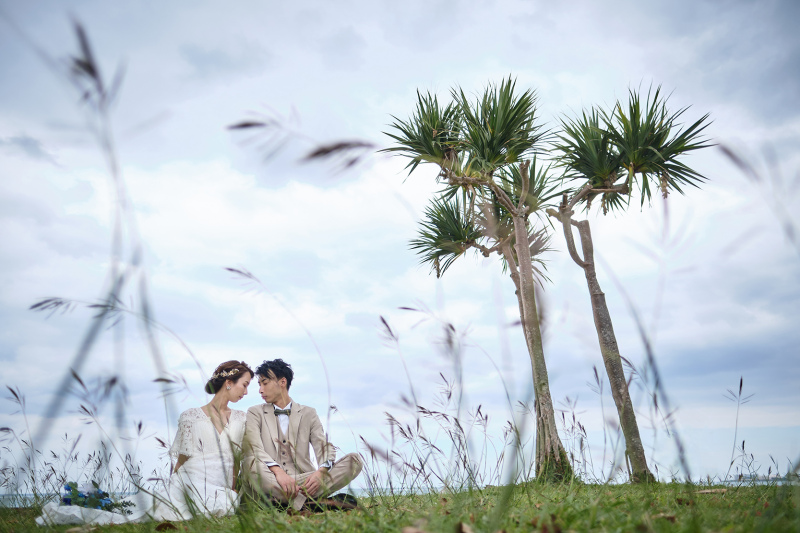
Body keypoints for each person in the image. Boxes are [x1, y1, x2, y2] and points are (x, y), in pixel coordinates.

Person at [36, 361, 254, 526]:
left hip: (220, 483)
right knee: (151, 510)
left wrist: (232, 488)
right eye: (244, 385)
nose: (246, 392)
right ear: (228, 383)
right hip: (191, 478)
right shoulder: (191, 416)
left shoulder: (241, 418)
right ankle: (88, 503)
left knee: (225, 504)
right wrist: (173, 483)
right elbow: (183, 457)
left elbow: (236, 458)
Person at [242, 359, 362, 511]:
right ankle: (314, 504)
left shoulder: (308, 413)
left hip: (303, 480)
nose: (260, 390)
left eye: (264, 383)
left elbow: (323, 447)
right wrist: (278, 472)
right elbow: (254, 447)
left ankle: (282, 503)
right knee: (249, 464)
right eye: (259, 385)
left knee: (355, 460)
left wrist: (320, 473)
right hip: (270, 477)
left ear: (282, 382)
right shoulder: (255, 412)